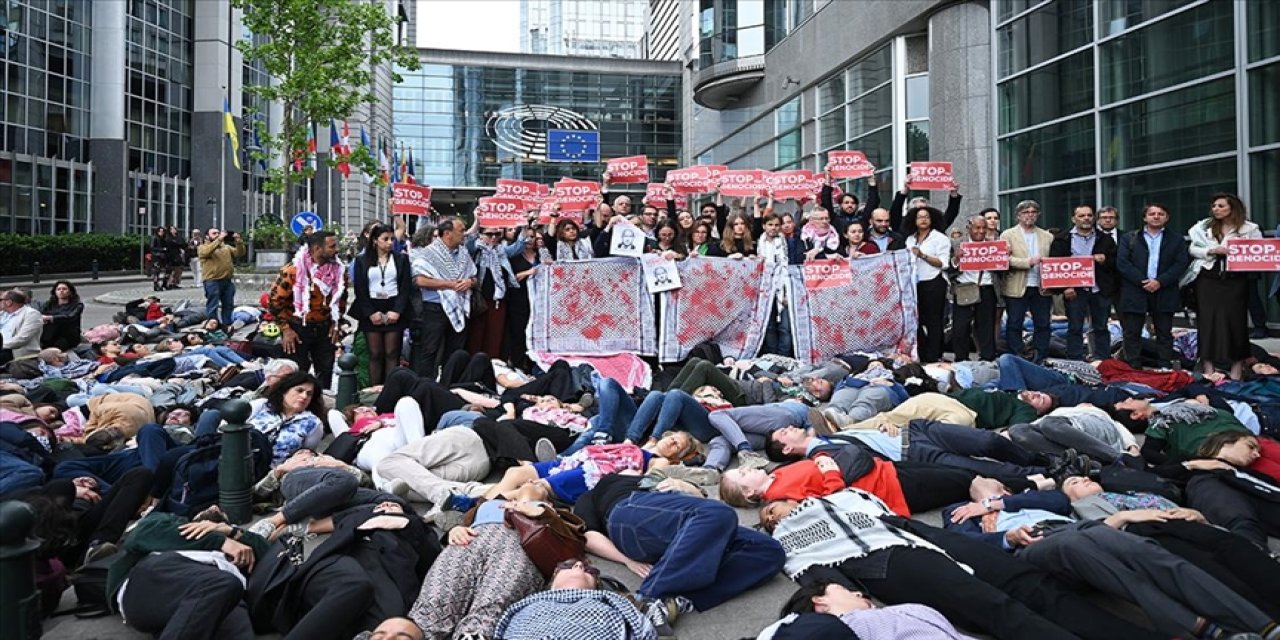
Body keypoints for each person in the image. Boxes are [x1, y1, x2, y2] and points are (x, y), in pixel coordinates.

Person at [576, 473, 785, 624]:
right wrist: (627, 560)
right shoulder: (593, 493)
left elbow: (699, 496)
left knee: (769, 550)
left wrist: (683, 485)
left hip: (682, 527)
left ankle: (679, 600)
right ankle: (648, 597)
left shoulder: (647, 475)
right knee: (719, 513)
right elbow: (588, 537)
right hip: (627, 514)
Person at [1185, 193, 1261, 380]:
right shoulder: (1204, 227)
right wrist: (1211, 250)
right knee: (1207, 322)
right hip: (1208, 279)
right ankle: (1209, 370)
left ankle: (1236, 371)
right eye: (1214, 206)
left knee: (1236, 323)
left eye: (1221, 206)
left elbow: (1258, 251)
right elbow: (1193, 249)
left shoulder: (1250, 228)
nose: (1216, 209)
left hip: (1235, 280)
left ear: (1232, 208)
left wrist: (1236, 251)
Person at [268, 231, 348, 389]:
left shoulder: (339, 270)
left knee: (325, 372)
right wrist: (286, 329)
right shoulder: (293, 270)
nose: (337, 250)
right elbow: (274, 303)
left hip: (325, 327)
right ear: (318, 249)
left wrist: (336, 323)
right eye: (332, 246)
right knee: (297, 374)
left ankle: (321, 401)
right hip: (297, 329)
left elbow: (341, 299)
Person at [1117, 203, 1190, 369]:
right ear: (1145, 217)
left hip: (1164, 290)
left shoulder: (1176, 239)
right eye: (1152, 214)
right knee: (1132, 331)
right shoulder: (1129, 238)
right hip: (1136, 290)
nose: (1156, 217)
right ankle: (1133, 366)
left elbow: (1180, 264)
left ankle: (1164, 365)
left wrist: (1160, 281)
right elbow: (1122, 263)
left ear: (1167, 217)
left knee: (1164, 332)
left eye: (1160, 214)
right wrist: (1142, 280)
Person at [411, 217, 477, 381]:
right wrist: (450, 284)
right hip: (435, 307)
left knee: (455, 350)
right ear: (447, 233)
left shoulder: (463, 253)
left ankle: (450, 384)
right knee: (430, 349)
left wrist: (469, 282)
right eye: (461, 231)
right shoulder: (428, 253)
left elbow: (474, 276)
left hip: (459, 306)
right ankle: (425, 384)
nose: (464, 234)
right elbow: (420, 280)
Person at [1049, 204, 1117, 361]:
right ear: (1074, 219)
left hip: (1099, 289)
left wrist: (1105, 259)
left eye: (1089, 215)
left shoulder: (1105, 239)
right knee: (1075, 327)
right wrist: (1065, 287)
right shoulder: (1062, 239)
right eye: (1081, 216)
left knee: (1101, 327)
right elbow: (1055, 265)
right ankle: (1075, 360)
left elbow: (1116, 263)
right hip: (1074, 290)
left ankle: (1103, 360)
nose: (1086, 218)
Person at [351, 224, 412, 385]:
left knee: (392, 352)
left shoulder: (401, 259)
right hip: (372, 305)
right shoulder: (362, 260)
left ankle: (391, 387)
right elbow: (360, 289)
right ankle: (375, 388)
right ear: (375, 240)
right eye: (385, 239)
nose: (390, 242)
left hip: (393, 304)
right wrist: (370, 313)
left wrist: (397, 310)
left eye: (392, 239)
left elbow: (405, 287)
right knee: (375, 353)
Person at [1000, 200, 1054, 363]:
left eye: (1033, 212)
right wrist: (1027, 262)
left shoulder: (1047, 236)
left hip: (1040, 286)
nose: (1030, 215)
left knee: (1043, 323)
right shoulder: (1008, 235)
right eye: (1025, 212)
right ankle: (1017, 355)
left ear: (1038, 215)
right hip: (1016, 285)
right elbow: (1003, 259)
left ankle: (1040, 355)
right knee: (1015, 323)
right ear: (1018, 215)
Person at [247, 371, 327, 466]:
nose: (304, 396)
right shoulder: (261, 405)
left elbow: (306, 454)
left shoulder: (313, 423)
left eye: (309, 394)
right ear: (285, 391)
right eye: (299, 391)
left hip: (276, 470)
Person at [904, 206, 950, 363]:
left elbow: (943, 263)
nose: (923, 220)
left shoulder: (940, 238)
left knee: (934, 321)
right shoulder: (910, 239)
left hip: (934, 281)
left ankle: (935, 355)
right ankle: (923, 353)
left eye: (926, 217)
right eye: (919, 217)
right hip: (914, 283)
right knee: (915, 320)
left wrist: (923, 255)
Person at [950, 216, 998, 362]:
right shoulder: (956, 244)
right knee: (960, 326)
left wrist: (1004, 256)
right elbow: (947, 269)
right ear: (968, 228)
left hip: (987, 288)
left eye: (984, 228)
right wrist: (956, 260)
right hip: (964, 289)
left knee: (986, 326)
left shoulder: (994, 245)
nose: (981, 231)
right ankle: (961, 359)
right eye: (977, 228)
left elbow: (1002, 270)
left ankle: (987, 358)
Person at [469, 224, 520, 357]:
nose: (493, 237)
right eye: (489, 234)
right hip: (479, 300)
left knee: (495, 336)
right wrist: (477, 221)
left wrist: (525, 225)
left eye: (497, 234)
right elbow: (468, 238)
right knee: (476, 335)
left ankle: (492, 364)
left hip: (498, 300)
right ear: (480, 235)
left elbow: (519, 245)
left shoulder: (502, 251)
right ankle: (474, 364)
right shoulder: (475, 249)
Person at [198, 228, 244, 326]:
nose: (217, 235)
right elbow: (206, 252)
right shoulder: (203, 247)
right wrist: (218, 240)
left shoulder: (226, 247)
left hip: (227, 281)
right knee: (213, 305)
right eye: (214, 233)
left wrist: (238, 242)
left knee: (228, 304)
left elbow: (239, 253)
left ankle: (227, 325)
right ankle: (212, 325)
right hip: (212, 281)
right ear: (207, 236)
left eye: (218, 233)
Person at [0, 289, 44, 364]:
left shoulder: (32, 314)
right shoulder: (2, 314)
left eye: (0, 300)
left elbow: (22, 338)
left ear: (9, 302)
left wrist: (1, 346)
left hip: (14, 352)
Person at [38, 280, 84, 350]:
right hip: (50, 335)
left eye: (64, 289)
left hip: (67, 335)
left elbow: (70, 317)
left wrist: (51, 318)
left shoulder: (77, 305)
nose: (61, 291)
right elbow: (40, 314)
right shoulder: (49, 304)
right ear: (55, 292)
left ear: (70, 291)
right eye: (58, 289)